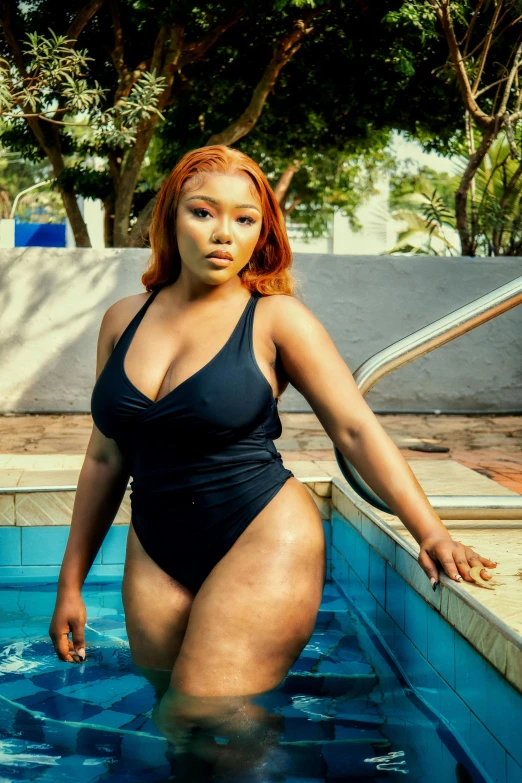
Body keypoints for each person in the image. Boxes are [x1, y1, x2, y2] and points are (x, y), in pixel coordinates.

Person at [49, 144, 496, 779]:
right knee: (178, 732)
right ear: (171, 218)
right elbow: (104, 456)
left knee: (206, 717)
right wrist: (71, 583)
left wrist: (432, 532)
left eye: (244, 219)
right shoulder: (122, 319)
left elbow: (355, 428)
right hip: (156, 545)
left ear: (263, 231)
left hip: (261, 534)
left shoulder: (275, 319)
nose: (222, 234)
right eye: (203, 212)